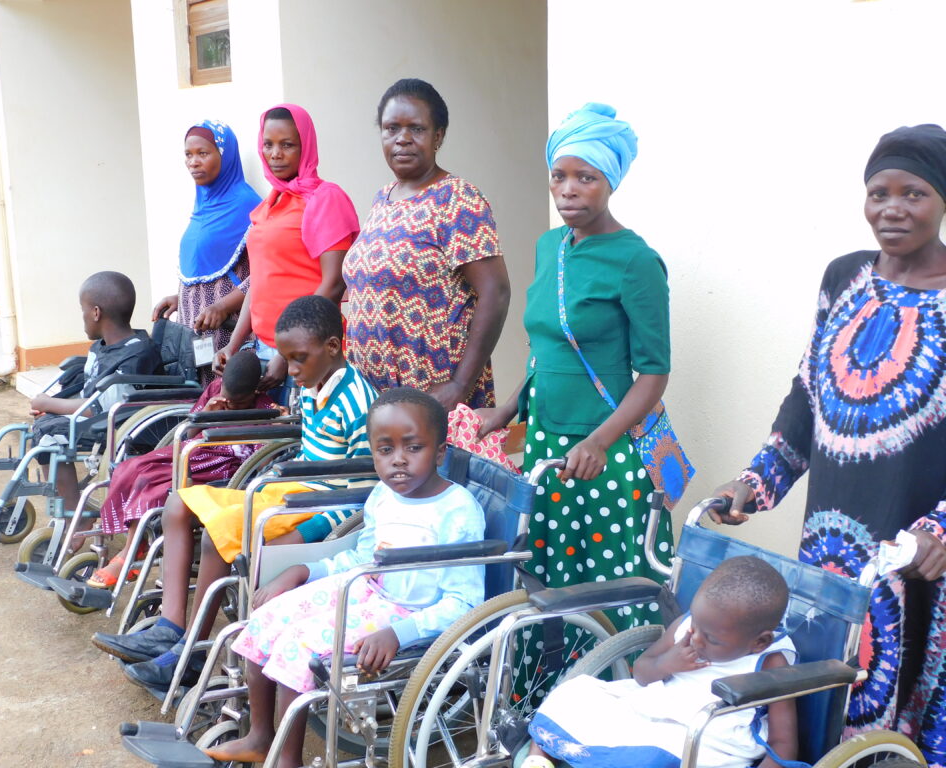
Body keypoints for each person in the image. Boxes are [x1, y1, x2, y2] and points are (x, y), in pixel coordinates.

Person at [711, 124, 946, 768]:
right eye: (878, 192)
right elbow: (809, 394)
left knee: (903, 710)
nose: (892, 208)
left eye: (914, 193)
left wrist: (938, 533)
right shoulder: (844, 276)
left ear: (943, 199)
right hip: (832, 542)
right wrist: (755, 482)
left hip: (918, 552)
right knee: (823, 690)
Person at [476, 104, 674, 696]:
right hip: (546, 444)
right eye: (559, 176)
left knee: (612, 583)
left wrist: (599, 440)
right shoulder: (549, 247)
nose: (569, 190)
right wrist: (507, 409)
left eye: (585, 177)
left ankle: (621, 702)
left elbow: (654, 375)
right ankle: (549, 702)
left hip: (609, 455)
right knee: (547, 577)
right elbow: (546, 349)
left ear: (610, 181)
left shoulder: (637, 261)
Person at [91, 296, 378, 689]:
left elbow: (363, 487)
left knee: (218, 536)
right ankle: (170, 626)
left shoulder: (358, 401)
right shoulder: (315, 383)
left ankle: (191, 653)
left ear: (332, 347)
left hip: (321, 509)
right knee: (177, 503)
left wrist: (310, 529)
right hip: (290, 488)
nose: (291, 371)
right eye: (287, 359)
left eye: (299, 359)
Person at [201, 387, 487, 767]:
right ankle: (260, 736)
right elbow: (361, 558)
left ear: (440, 452)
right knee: (267, 616)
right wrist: (305, 571)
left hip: (410, 615)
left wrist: (399, 634)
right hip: (366, 589)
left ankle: (289, 760)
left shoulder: (458, 512)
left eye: (413, 448)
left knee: (298, 644)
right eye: (385, 450)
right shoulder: (384, 495)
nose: (398, 461)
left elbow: (465, 603)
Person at [523, 556, 796, 768]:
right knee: (575, 692)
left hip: (705, 736)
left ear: (758, 642)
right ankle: (539, 758)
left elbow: (783, 744)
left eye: (711, 639)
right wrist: (669, 662)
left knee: (653, 757)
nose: (696, 639)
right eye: (696, 625)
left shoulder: (770, 663)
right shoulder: (689, 626)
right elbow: (641, 671)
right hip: (653, 706)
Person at [342, 78, 510, 412]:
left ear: (438, 136)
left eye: (416, 128)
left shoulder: (458, 199)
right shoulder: (383, 198)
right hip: (375, 393)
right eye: (392, 128)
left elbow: (497, 292)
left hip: (434, 396)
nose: (402, 139)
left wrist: (460, 385)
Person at [86, 349, 274, 588]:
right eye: (227, 398)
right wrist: (206, 415)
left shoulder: (265, 408)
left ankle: (130, 551)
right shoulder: (215, 389)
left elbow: (260, 458)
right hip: (193, 448)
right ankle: (138, 542)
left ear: (254, 392)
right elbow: (188, 430)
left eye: (238, 403)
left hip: (224, 464)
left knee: (154, 484)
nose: (229, 405)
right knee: (131, 468)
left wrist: (229, 424)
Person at [213, 104, 359, 399]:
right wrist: (235, 343)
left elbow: (333, 283)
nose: (275, 154)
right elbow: (260, 282)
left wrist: (291, 352)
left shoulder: (325, 199)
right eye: (268, 144)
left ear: (305, 147)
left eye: (287, 145)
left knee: (308, 441)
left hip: (311, 352)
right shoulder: (271, 204)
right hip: (266, 349)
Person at [28, 271, 161, 517]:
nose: (83, 316)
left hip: (120, 426)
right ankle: (69, 507)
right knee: (42, 425)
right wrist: (52, 405)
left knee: (47, 434)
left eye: (83, 309)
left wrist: (51, 403)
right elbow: (88, 389)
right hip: (99, 418)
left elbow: (104, 407)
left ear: (96, 312)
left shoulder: (136, 355)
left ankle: (73, 516)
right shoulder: (101, 347)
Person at [152, 120, 261, 380]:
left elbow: (263, 274)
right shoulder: (202, 205)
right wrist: (181, 297)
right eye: (188, 155)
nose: (193, 162)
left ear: (225, 155)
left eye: (203, 153)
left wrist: (223, 305)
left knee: (221, 406)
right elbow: (204, 264)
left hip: (228, 330)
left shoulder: (248, 205)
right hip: (196, 328)